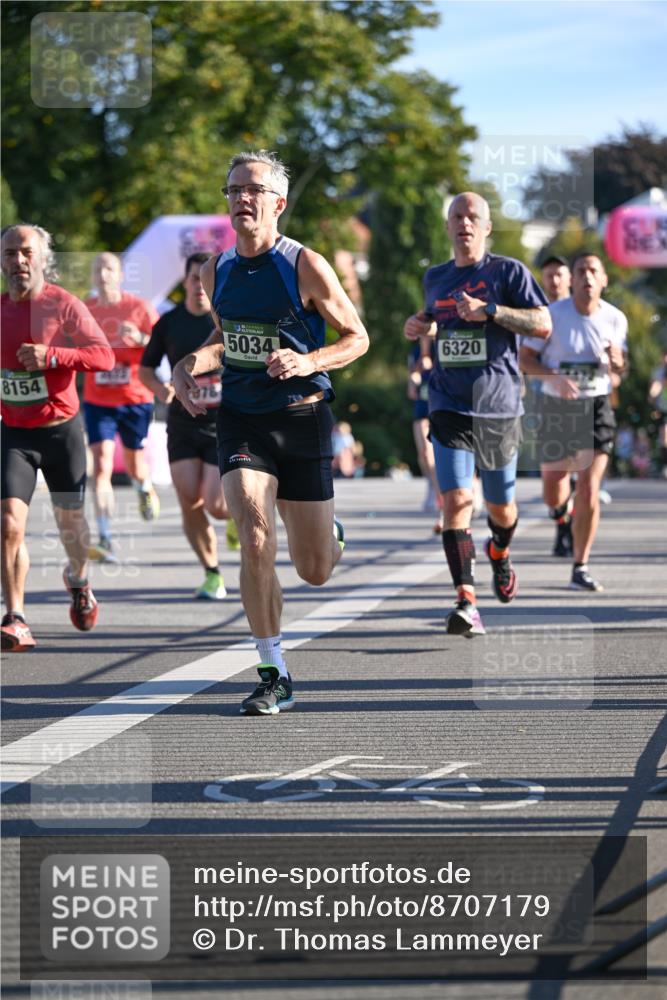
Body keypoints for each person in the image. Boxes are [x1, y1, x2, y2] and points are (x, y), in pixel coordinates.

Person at [172, 150, 369, 714]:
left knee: (314, 571)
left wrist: (309, 361)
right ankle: (272, 670)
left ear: (278, 203)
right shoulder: (215, 271)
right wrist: (189, 365)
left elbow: (357, 338)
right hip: (242, 420)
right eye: (233, 189)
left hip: (302, 417)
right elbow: (227, 342)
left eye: (253, 189)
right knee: (255, 536)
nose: (241, 198)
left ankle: (329, 537)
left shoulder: (305, 265)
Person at [404, 192, 551, 637]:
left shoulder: (508, 272)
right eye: (457, 216)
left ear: (486, 227)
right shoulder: (435, 277)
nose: (464, 223)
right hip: (448, 402)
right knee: (456, 501)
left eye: (473, 217)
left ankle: (500, 552)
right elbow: (436, 320)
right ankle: (466, 600)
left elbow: (543, 324)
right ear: (448, 226)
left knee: (501, 506)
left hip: (497, 406)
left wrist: (490, 310)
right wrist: (420, 325)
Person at [1, 224, 114, 650]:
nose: (18, 260)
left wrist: (52, 356)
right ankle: (15, 616)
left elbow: (103, 356)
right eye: (9, 253)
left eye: (26, 252)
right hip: (14, 435)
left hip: (60, 433)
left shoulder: (63, 304)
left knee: (71, 526)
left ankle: (79, 579)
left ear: (43, 258)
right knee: (8, 523)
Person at [520, 251, 628, 592]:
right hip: (557, 407)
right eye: (581, 270)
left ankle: (580, 566)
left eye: (593, 270)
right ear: (573, 279)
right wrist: (554, 378)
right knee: (553, 486)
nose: (587, 276)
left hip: (596, 406)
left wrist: (618, 362)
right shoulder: (551, 316)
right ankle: (560, 514)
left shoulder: (615, 318)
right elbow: (525, 359)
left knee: (589, 487)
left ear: (604, 279)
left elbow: (620, 368)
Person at [139, 253, 235, 600]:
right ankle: (212, 573)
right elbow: (145, 369)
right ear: (185, 282)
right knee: (189, 501)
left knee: (216, 505)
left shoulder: (226, 319)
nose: (199, 286)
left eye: (204, 280)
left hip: (221, 424)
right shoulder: (169, 323)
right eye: (194, 279)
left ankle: (234, 517)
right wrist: (160, 389)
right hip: (182, 424)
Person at [82, 252, 161, 562]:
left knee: (133, 465)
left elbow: (162, 346)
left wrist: (140, 337)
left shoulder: (139, 308)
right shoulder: (85, 310)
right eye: (97, 269)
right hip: (98, 400)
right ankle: (105, 536)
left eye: (109, 268)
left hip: (134, 398)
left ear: (120, 275)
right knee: (101, 465)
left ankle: (144, 486)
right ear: (92, 276)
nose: (103, 274)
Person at [538, 252, 574, 556]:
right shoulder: (539, 313)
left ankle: (570, 526)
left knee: (578, 468)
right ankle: (562, 522)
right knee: (553, 474)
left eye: (559, 274)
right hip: (547, 400)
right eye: (549, 275)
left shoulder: (584, 312)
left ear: (569, 279)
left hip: (586, 401)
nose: (554, 280)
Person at [648, 348, 667, 478]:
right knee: (664, 436)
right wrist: (652, 395)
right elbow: (653, 390)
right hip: (663, 408)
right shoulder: (658, 372)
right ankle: (665, 465)